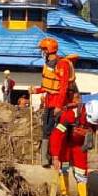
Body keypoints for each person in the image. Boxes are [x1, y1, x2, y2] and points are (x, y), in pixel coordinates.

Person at [33, 37, 77, 167]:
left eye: (43, 50)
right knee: (46, 130)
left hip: (58, 104)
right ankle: (45, 159)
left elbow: (63, 87)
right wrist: (36, 90)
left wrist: (58, 106)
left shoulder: (62, 64)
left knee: (58, 132)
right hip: (49, 102)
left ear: (48, 50)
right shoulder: (48, 65)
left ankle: (58, 158)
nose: (42, 52)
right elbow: (48, 86)